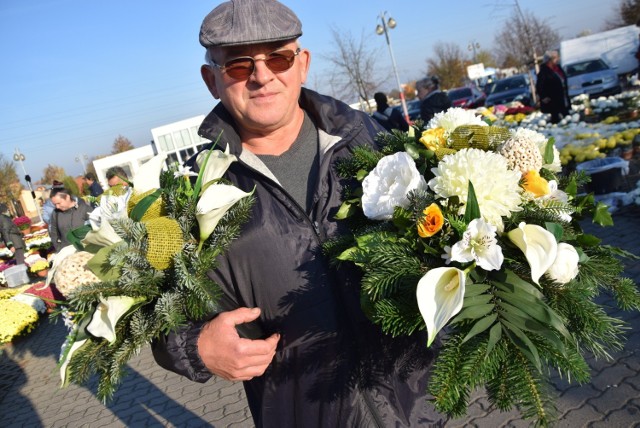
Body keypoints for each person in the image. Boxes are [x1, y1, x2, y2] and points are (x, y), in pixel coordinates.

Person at [151, 1, 445, 427]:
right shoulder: (196, 192)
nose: (262, 75)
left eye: (279, 57)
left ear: (301, 64)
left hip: (417, 406)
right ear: (211, 80)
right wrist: (196, 347)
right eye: (238, 65)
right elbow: (156, 311)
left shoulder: (372, 140)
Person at [536, 50, 570, 124]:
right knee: (556, 118)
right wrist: (543, 96)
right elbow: (539, 85)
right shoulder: (544, 71)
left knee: (566, 116)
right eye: (555, 58)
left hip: (562, 97)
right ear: (550, 60)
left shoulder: (558, 68)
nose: (558, 59)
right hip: (553, 99)